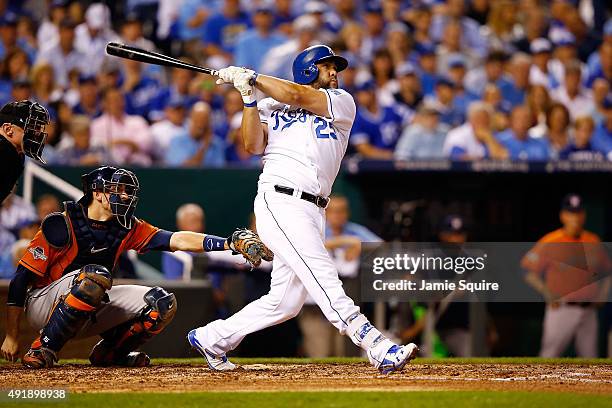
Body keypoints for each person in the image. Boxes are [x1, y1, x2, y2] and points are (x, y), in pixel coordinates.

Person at [188, 45, 418, 374]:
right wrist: (249, 97)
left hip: (314, 207)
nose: (334, 72)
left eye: (334, 67)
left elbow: (297, 95)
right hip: (279, 199)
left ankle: (213, 337)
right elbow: (253, 145)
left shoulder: (341, 102)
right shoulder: (270, 102)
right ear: (309, 69)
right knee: (322, 273)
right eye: (327, 67)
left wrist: (253, 77)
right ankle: (375, 345)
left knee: (285, 302)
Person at [0, 166, 272, 368]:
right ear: (97, 193)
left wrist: (227, 243)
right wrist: (12, 335)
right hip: (42, 304)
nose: (125, 196)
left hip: (91, 297)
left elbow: (176, 239)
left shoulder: (126, 226)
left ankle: (110, 353)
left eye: (126, 191)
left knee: (161, 302)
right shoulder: (61, 223)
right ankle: (42, 348)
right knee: (95, 277)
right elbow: (21, 279)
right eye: (116, 190)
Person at [523, 194, 610, 357]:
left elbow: (607, 272)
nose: (575, 217)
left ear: (584, 215)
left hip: (589, 310)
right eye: (571, 213)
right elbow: (527, 271)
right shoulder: (551, 240)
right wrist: (546, 292)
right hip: (562, 308)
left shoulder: (593, 240)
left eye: (578, 212)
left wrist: (603, 294)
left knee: (590, 360)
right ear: (563, 215)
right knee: (549, 356)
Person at [0, 100, 50, 204]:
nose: (37, 133)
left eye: (39, 128)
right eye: (32, 127)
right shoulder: (4, 152)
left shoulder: (17, 155)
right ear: (8, 129)